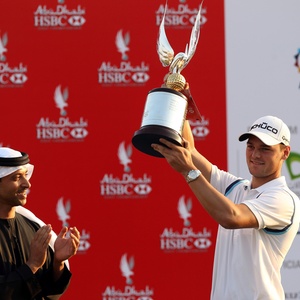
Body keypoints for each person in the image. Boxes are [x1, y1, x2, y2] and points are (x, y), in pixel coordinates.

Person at [151, 111, 300, 299]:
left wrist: (188, 171)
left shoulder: (284, 199)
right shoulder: (237, 187)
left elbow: (232, 217)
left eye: (265, 149)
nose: (255, 155)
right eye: (250, 146)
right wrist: (180, 105)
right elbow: (191, 152)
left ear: (285, 152)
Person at [0, 147, 80, 300]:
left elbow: (46, 291)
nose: (27, 184)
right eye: (17, 178)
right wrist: (32, 266)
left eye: (25, 175)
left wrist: (57, 262)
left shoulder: (33, 227)